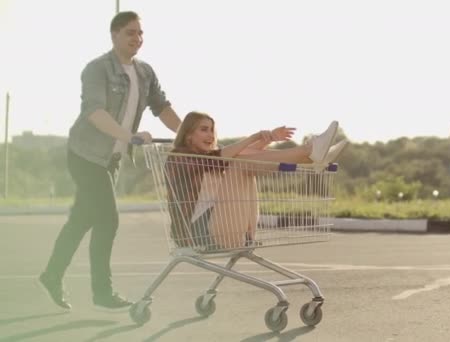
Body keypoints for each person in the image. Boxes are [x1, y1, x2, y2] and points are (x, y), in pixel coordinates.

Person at [39, 11, 182, 310]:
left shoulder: (145, 73)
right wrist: (129, 136)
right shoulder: (97, 69)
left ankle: (51, 275)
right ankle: (102, 293)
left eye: (141, 33)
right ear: (114, 35)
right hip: (85, 155)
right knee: (108, 219)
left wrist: (189, 135)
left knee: (82, 220)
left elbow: (163, 107)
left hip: (112, 159)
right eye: (131, 32)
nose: (137, 38)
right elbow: (95, 112)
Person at [165, 111, 348, 250]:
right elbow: (223, 156)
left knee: (242, 161)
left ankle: (313, 156)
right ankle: (310, 153)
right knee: (239, 164)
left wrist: (268, 139)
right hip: (197, 235)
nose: (210, 135)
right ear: (188, 134)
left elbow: (240, 153)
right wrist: (254, 136)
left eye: (212, 130)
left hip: (225, 225)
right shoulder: (178, 158)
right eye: (204, 130)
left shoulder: (210, 158)